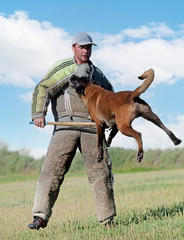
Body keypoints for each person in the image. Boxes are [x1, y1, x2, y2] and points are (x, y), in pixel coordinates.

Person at [28, 32, 116, 230]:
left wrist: (110, 119)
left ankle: (107, 220)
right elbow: (42, 88)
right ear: (73, 47)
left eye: (89, 47)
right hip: (65, 126)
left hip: (93, 128)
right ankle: (40, 216)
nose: (85, 50)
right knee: (52, 171)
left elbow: (111, 96)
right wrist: (38, 114)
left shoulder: (98, 74)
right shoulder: (64, 68)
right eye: (81, 47)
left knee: (101, 172)